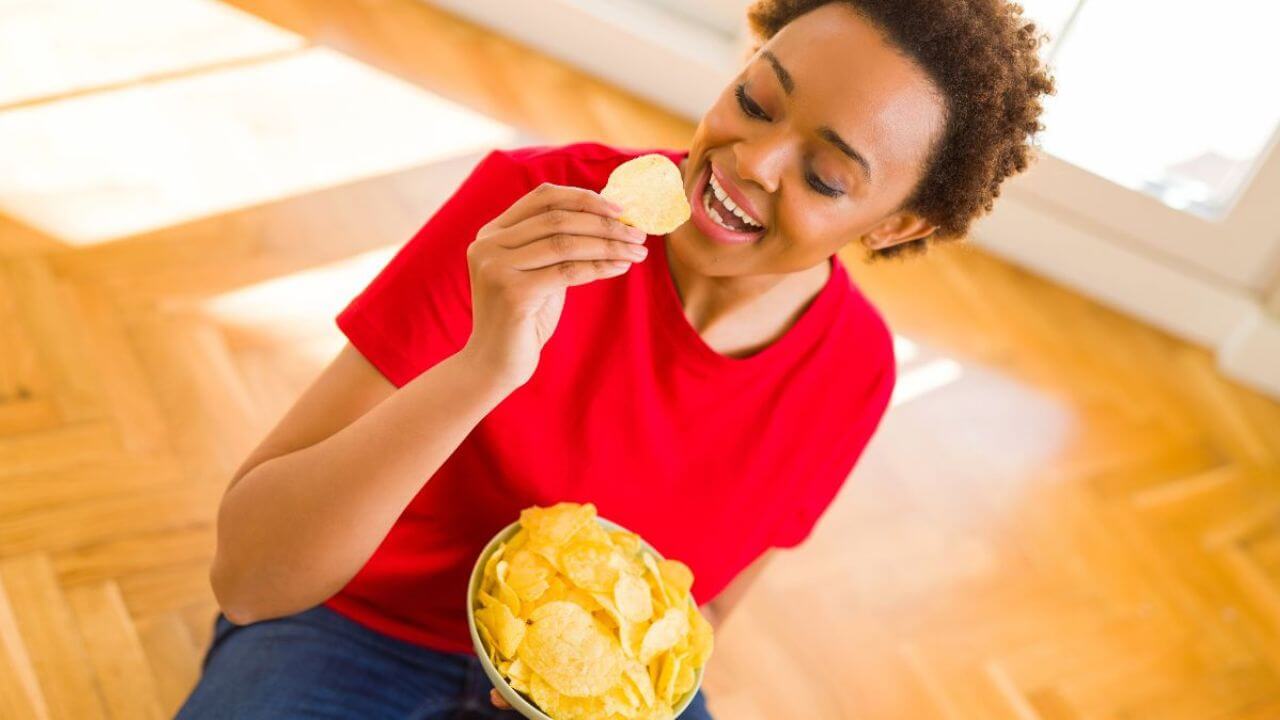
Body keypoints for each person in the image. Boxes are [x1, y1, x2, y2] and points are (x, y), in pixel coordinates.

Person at [176, 1, 1054, 717]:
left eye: (825, 177)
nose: (750, 160)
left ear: (898, 224)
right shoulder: (528, 210)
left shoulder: (852, 374)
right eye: (754, 101)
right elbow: (251, 578)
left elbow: (697, 616)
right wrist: (485, 367)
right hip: (358, 626)